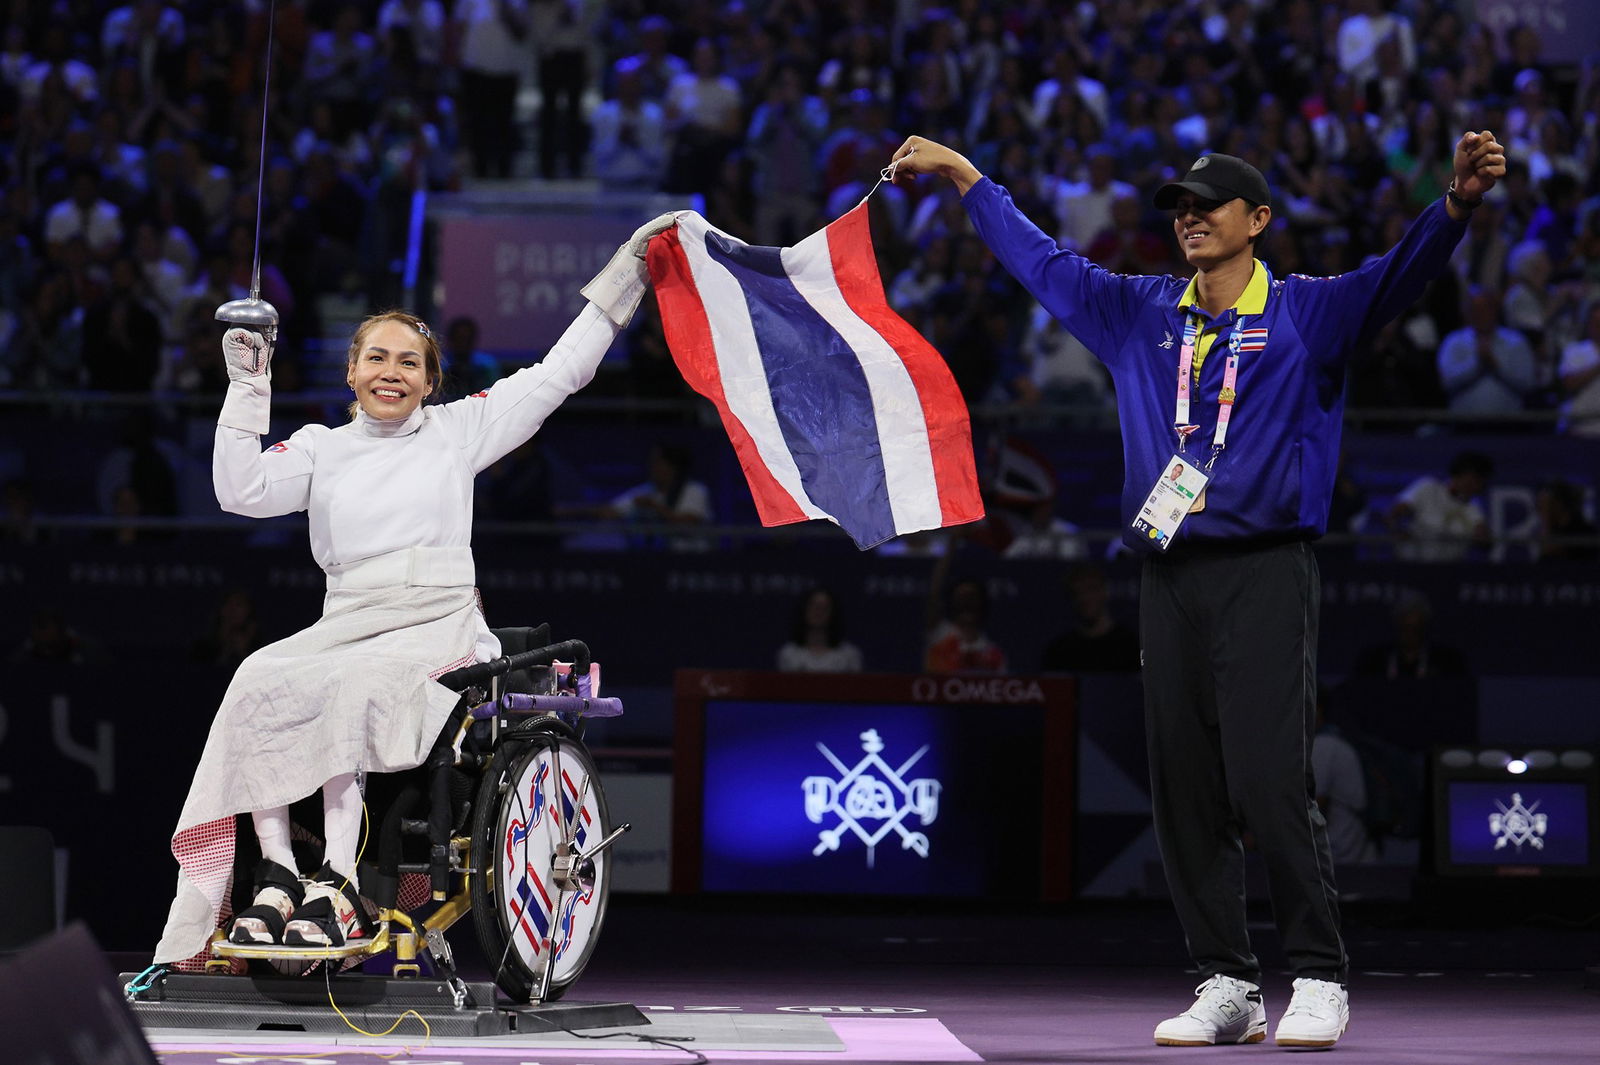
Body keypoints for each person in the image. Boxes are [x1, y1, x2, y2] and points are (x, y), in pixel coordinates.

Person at [888, 126, 1505, 1049]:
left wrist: (1454, 206)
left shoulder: (1308, 312)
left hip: (1265, 567)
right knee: (1183, 786)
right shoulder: (1141, 313)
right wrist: (970, 177)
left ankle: (1319, 973)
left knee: (1267, 779)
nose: (1188, 219)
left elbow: (1398, 273)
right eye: (1178, 207)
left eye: (1207, 205)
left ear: (1257, 220)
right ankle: (1227, 978)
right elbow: (1042, 261)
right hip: (1167, 573)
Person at [151, 212, 676, 966]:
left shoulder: (459, 431)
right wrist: (247, 384)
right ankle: (276, 873)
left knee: (355, 683)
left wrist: (624, 278)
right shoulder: (321, 448)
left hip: (438, 623)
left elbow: (562, 371)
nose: (391, 371)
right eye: (375, 358)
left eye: (408, 361)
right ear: (352, 372)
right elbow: (240, 491)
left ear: (430, 380)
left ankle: (339, 878)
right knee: (255, 677)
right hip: (347, 621)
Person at [1385, 450, 1493, 562]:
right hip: (1411, 565)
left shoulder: (1474, 508)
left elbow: (1485, 541)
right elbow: (1393, 514)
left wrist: (1483, 537)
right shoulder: (1427, 488)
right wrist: (1397, 531)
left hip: (1449, 571)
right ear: (1457, 474)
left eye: (1480, 482)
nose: (1475, 486)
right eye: (1472, 480)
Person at [1039, 563, 1139, 673]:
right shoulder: (1059, 651)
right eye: (1077, 593)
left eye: (1091, 589)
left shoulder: (1129, 646)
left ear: (1105, 591)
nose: (1085, 598)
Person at [776, 588, 863, 673]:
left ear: (833, 612)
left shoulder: (849, 655)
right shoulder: (788, 654)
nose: (818, 611)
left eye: (824, 607)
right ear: (804, 610)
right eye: (813, 605)